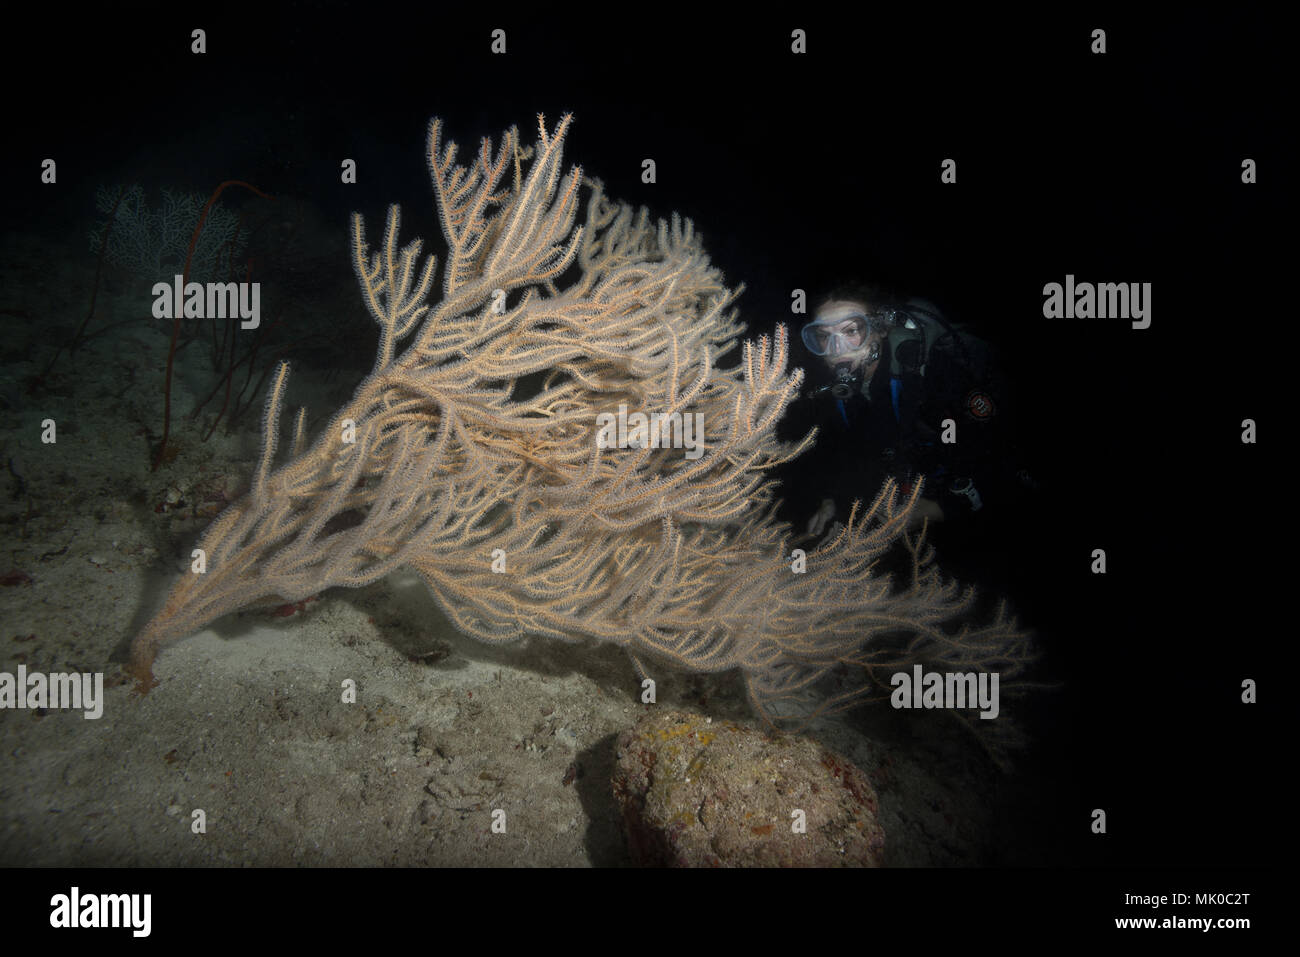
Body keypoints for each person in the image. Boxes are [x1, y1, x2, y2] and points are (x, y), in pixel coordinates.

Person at [778, 284, 1030, 553]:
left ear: (880, 329)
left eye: (851, 331)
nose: (836, 349)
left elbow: (1014, 462)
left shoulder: (935, 369)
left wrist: (938, 509)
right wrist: (833, 500)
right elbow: (849, 453)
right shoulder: (841, 392)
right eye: (824, 336)